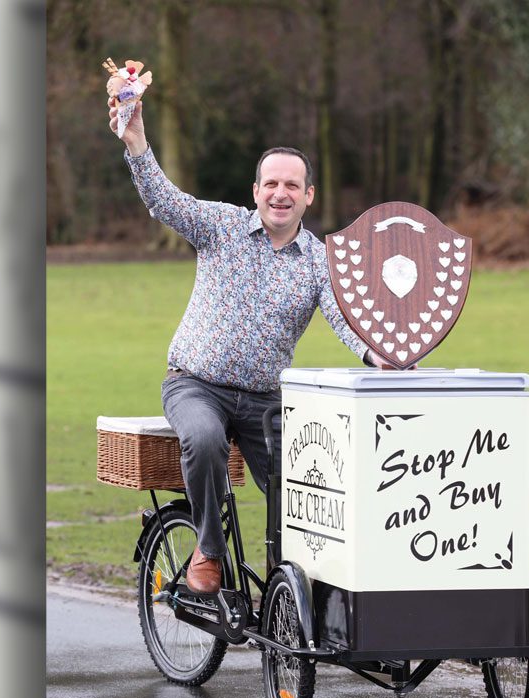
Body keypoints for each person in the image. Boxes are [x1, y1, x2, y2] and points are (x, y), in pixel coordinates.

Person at [111, 96, 381, 594]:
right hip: (195, 386)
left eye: (292, 186)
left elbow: (344, 320)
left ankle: (293, 587)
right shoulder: (222, 226)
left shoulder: (319, 262)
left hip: (265, 402)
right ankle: (209, 550)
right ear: (256, 191)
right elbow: (164, 200)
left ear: (309, 196)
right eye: (272, 184)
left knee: (303, 480)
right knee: (206, 439)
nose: (281, 193)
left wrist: (375, 354)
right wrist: (137, 144)